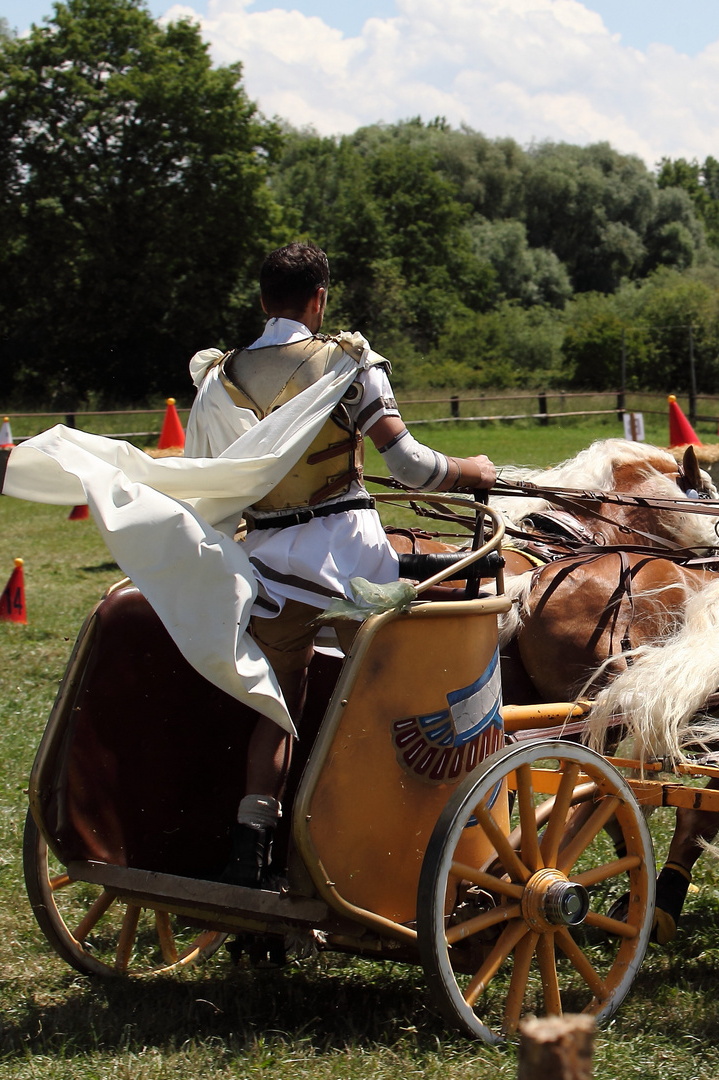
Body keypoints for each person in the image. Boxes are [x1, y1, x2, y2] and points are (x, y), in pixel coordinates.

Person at [200, 242, 496, 888]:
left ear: (261, 300)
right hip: (352, 566)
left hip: (269, 566)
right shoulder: (346, 364)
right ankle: (371, 839)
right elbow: (411, 468)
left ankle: (252, 844)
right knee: (389, 700)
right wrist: (475, 470)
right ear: (319, 299)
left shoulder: (224, 375)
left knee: (276, 706)